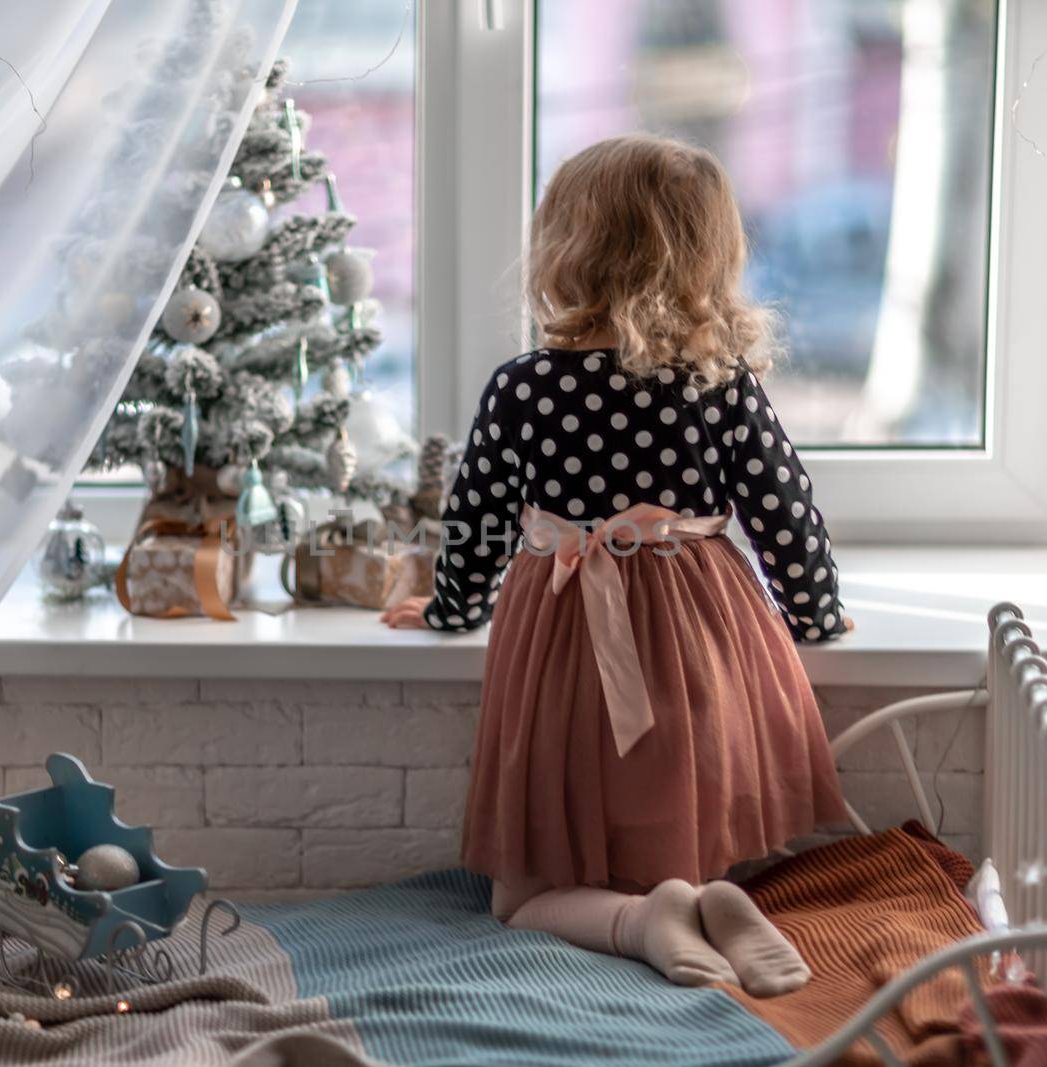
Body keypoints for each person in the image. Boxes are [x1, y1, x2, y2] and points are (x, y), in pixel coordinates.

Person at [381, 135, 852, 994]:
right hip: (698, 624)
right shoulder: (722, 382)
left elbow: (478, 520)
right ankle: (715, 896)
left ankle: (644, 918)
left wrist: (450, 610)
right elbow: (784, 510)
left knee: (520, 896)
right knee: (689, 804)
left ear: (568, 248)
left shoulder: (525, 385)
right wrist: (817, 613)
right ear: (708, 254)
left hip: (565, 632)